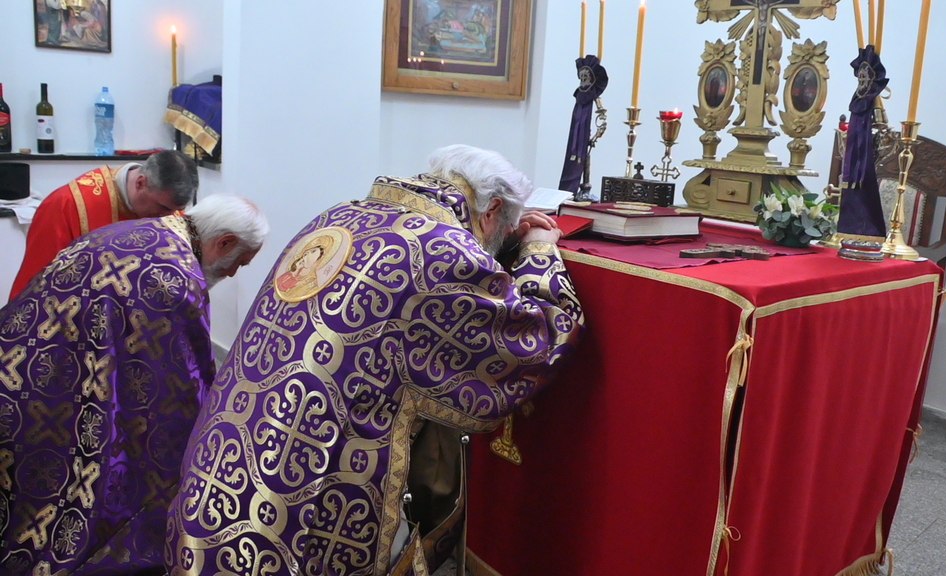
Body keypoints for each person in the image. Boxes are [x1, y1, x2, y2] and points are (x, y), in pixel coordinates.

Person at [166, 145, 585, 576]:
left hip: (226, 452)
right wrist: (538, 250)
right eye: (506, 226)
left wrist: (502, 240)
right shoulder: (444, 249)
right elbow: (538, 340)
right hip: (304, 472)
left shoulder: (341, 215)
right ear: (492, 209)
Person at [0, 195, 269, 576]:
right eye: (240, 262)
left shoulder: (136, 230)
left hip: (20, 373)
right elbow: (178, 387)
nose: (234, 273)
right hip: (52, 394)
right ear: (224, 243)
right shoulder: (176, 277)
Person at [9, 150, 198, 300]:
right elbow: (35, 288)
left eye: (176, 210)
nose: (167, 218)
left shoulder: (172, 212)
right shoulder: (67, 205)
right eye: (163, 208)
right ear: (140, 183)